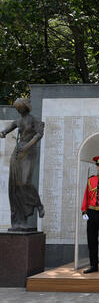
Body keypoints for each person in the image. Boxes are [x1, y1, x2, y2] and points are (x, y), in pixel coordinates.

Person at [0, 98, 45, 230]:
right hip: (17, 153)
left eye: (19, 107)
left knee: (25, 182)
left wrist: (27, 146)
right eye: (16, 108)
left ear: (25, 107)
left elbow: (39, 135)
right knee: (15, 185)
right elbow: (7, 129)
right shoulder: (18, 121)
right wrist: (3, 133)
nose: (18, 110)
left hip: (29, 151)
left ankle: (38, 204)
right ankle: (18, 219)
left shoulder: (34, 119)